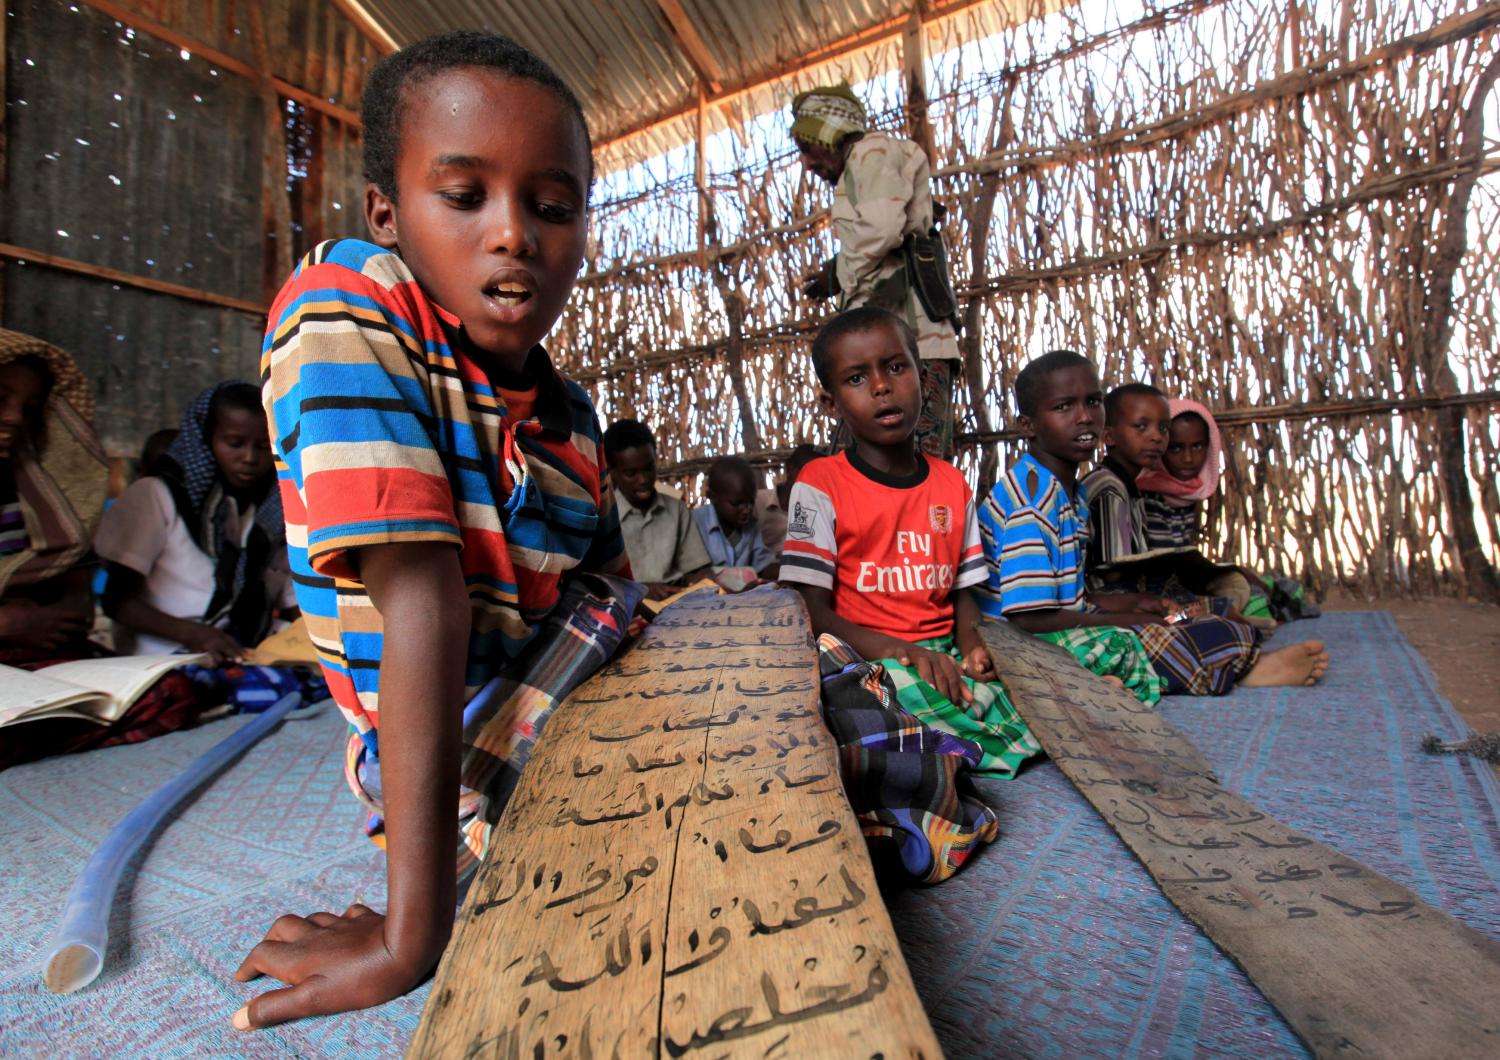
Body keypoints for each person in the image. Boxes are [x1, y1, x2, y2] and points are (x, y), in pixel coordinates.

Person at [234, 32, 639, 1030]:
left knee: (800, 691)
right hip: (449, 751)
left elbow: (620, 598)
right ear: (387, 213)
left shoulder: (575, 418)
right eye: (464, 196)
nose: (514, 234)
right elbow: (423, 599)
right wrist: (407, 937)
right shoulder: (346, 305)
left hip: (572, 698)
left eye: (553, 208)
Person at [782, 306, 1038, 776]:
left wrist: (972, 648)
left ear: (922, 379)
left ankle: (960, 738)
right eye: (857, 378)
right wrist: (904, 653)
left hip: (941, 652)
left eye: (895, 368)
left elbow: (963, 595)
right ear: (831, 403)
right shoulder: (819, 484)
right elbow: (811, 611)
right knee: (874, 696)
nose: (881, 386)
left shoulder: (951, 484)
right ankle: (990, 733)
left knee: (1026, 666)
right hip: (868, 656)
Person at [990, 356, 1327, 696]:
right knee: (1137, 637)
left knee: (1182, 617)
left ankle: (1230, 661)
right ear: (1028, 425)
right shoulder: (1032, 504)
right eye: (1064, 407)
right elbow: (1030, 619)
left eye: (1093, 402)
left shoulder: (1069, 493)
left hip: (1059, 620)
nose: (1085, 417)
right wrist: (1128, 619)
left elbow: (1070, 596)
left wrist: (1135, 603)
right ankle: (1243, 670)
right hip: (1022, 641)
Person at [0, 329, 201, 769]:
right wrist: (8, 622)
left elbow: (76, 590)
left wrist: (54, 618)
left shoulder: (45, 492)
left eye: (30, 408)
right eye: (2, 399)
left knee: (172, 694)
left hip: (35, 658)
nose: (14, 417)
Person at [94, 382, 323, 713]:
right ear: (205, 440)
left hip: (242, 652)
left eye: (263, 446)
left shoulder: (271, 513)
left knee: (321, 685)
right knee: (193, 696)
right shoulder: (156, 496)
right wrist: (196, 635)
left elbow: (291, 602)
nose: (250, 458)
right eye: (234, 444)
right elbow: (118, 601)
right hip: (165, 657)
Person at [791, 83, 961, 459]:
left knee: (914, 465)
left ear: (829, 133)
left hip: (913, 347)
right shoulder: (865, 163)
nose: (808, 163)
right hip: (898, 350)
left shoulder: (871, 152)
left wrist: (840, 274)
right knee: (884, 466)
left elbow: (882, 230)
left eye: (807, 147)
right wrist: (838, 272)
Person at [603, 417, 711, 599]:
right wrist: (642, 590)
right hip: (627, 602)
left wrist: (702, 581)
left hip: (672, 599)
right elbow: (600, 583)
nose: (643, 479)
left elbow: (697, 569)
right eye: (631, 473)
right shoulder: (606, 517)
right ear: (612, 473)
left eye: (649, 468)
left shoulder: (677, 510)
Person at [693, 455, 779, 580]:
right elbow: (693, 575)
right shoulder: (695, 524)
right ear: (712, 497)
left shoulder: (751, 525)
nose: (747, 509)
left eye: (751, 502)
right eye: (737, 503)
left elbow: (762, 565)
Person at [756, 443, 819, 557]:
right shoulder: (758, 503)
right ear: (790, 468)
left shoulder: (820, 511)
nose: (814, 480)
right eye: (808, 472)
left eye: (819, 476)